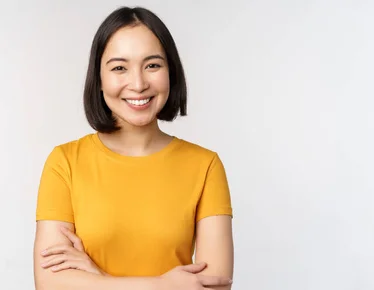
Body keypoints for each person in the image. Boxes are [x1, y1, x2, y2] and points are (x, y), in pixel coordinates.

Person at [32, 6, 234, 290]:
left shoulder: (205, 165)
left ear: (170, 72)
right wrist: (165, 285)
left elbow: (215, 286)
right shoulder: (64, 162)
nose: (138, 84)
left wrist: (96, 279)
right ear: (99, 79)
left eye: (152, 65)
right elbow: (49, 283)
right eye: (119, 68)